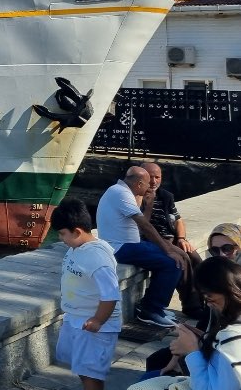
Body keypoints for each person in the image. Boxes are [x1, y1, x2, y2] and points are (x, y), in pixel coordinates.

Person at [142, 224, 241, 381]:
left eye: (227, 248)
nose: (221, 254)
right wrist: (192, 339)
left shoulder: (231, 285)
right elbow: (209, 326)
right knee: (158, 360)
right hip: (214, 345)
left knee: (157, 367)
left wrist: (193, 349)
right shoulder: (216, 276)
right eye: (215, 250)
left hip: (219, 351)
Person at [96, 165, 187, 327]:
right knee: (173, 262)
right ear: (138, 184)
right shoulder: (121, 193)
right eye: (146, 184)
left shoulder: (120, 190)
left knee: (177, 255)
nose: (149, 186)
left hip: (128, 245)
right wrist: (168, 250)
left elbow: (138, 226)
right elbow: (145, 226)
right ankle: (151, 310)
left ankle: (154, 306)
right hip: (120, 248)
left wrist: (149, 203)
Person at [52, 197, 122, 390]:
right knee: (83, 369)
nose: (60, 238)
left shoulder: (97, 256)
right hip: (78, 319)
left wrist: (98, 320)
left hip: (96, 325)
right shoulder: (77, 247)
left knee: (92, 374)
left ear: (77, 231)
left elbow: (110, 294)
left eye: (62, 234)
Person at [168, 255, 241, 389]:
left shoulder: (231, 336)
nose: (208, 304)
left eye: (209, 297)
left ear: (229, 290)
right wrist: (204, 339)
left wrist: (191, 351)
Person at [141, 161, 204, 316]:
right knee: (183, 259)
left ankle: (205, 302)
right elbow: (142, 227)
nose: (154, 181)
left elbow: (178, 220)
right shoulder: (136, 197)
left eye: (157, 177)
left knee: (196, 258)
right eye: (150, 177)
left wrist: (181, 238)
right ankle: (191, 306)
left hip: (170, 237)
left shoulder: (166, 196)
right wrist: (148, 204)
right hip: (153, 239)